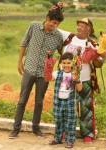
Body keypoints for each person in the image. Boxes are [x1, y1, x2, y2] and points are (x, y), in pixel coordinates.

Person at [8, 7, 64, 139]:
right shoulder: (33, 26)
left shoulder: (57, 36)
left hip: (44, 73)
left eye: (58, 24)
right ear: (47, 18)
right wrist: (20, 61)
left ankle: (36, 128)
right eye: (54, 23)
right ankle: (16, 129)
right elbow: (24, 43)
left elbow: (63, 52)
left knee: (39, 101)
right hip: (29, 68)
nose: (55, 26)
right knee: (22, 100)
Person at [58, 18, 103, 143]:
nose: (79, 27)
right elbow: (54, 27)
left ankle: (87, 133)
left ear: (89, 29)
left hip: (85, 79)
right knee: (66, 106)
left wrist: (94, 56)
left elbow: (99, 64)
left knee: (85, 107)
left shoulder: (93, 44)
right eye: (78, 25)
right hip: (66, 78)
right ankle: (64, 131)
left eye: (82, 26)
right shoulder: (69, 37)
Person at [49, 52, 83, 148]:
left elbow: (80, 89)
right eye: (64, 63)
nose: (66, 65)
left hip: (70, 101)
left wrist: (77, 80)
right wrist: (48, 64)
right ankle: (57, 138)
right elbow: (48, 78)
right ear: (60, 63)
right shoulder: (57, 73)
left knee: (70, 121)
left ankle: (70, 140)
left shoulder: (75, 74)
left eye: (68, 63)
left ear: (73, 63)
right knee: (58, 120)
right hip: (58, 101)